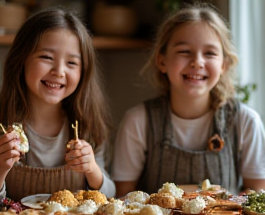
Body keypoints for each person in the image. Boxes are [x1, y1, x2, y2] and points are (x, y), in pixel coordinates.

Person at [112, 3, 265, 197]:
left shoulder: (245, 121)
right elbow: (123, 195)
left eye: (209, 53)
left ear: (224, 65)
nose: (197, 62)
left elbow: (257, 193)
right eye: (184, 51)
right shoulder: (137, 121)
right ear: (162, 61)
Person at [0, 7, 116, 202]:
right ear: (21, 60)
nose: (59, 71)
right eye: (46, 58)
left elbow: (109, 195)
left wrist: (92, 169)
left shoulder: (87, 127)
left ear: (83, 72)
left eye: (71, 63)